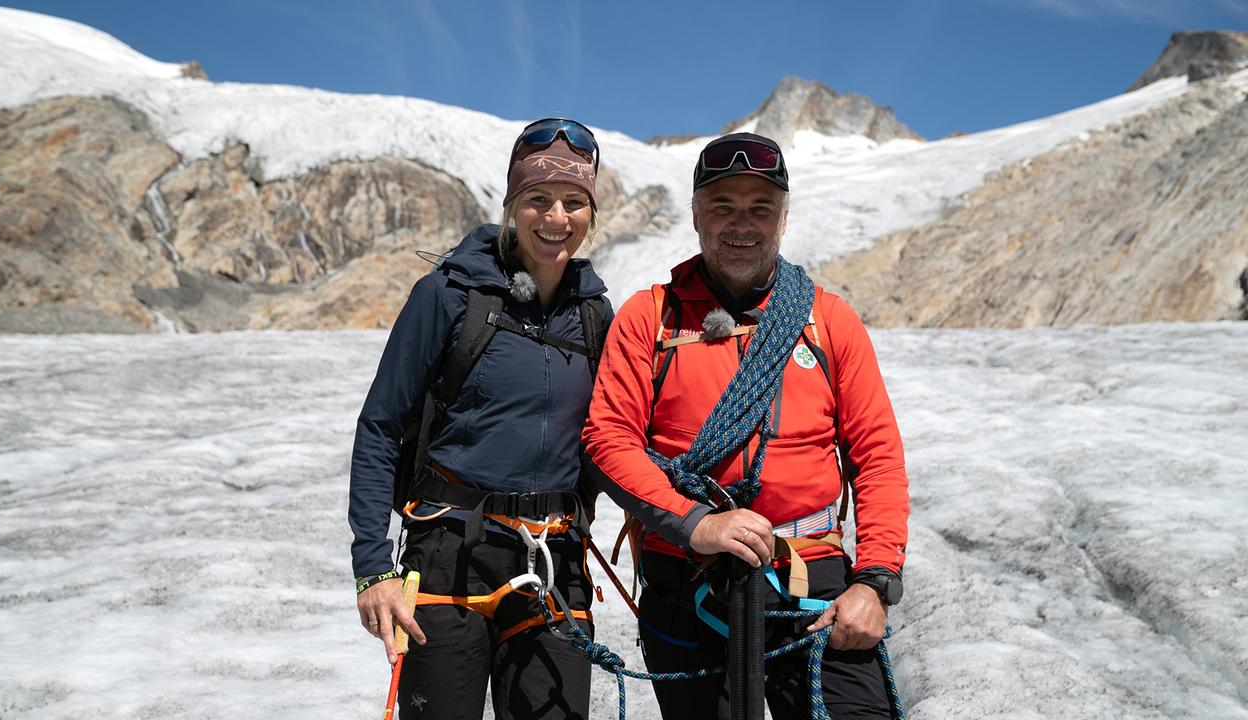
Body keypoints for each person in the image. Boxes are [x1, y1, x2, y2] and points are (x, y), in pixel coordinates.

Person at [582, 132, 909, 719]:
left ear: (783, 219)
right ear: (695, 215)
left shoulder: (827, 322)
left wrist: (876, 581)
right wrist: (696, 523)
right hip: (686, 579)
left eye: (760, 209)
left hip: (811, 582)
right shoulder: (649, 318)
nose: (742, 225)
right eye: (723, 207)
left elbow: (876, 455)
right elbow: (609, 439)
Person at [348, 118, 612, 720]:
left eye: (574, 202)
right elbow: (381, 427)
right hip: (448, 554)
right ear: (512, 205)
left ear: (591, 214)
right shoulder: (447, 295)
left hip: (554, 562)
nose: (556, 216)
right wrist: (372, 568)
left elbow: (614, 439)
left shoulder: (596, 316)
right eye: (538, 199)